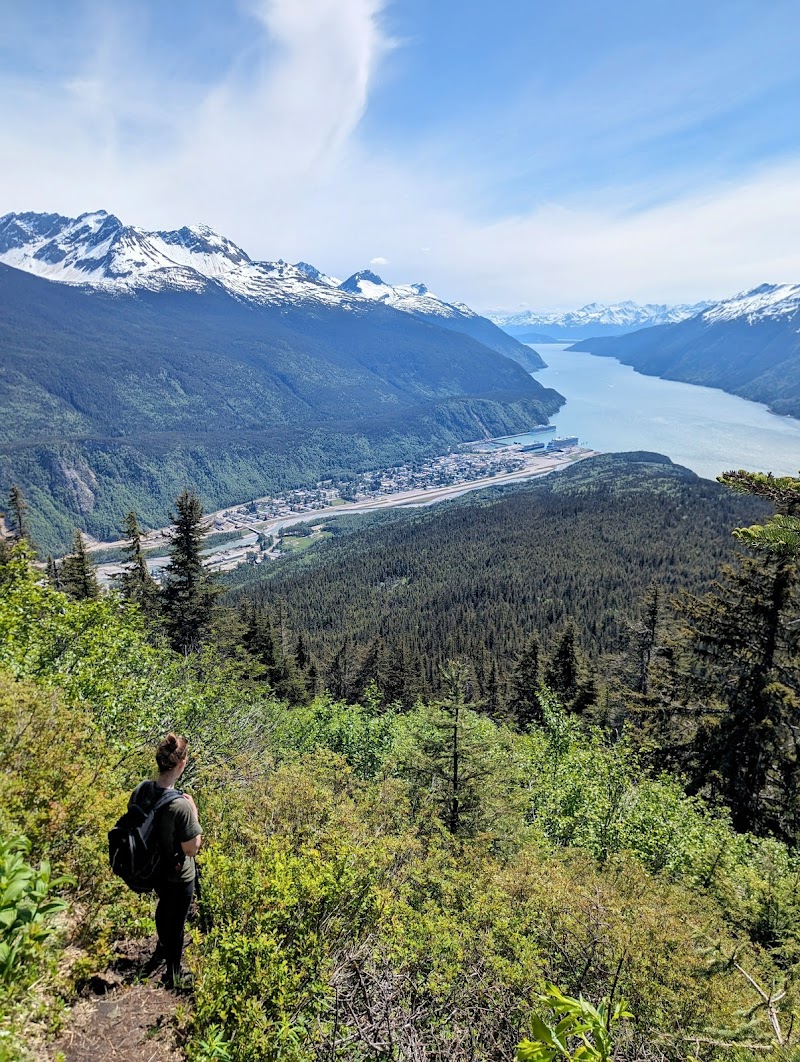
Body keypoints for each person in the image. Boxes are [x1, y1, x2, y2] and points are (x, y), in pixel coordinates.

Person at [129, 732, 202, 987]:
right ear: (182, 764)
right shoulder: (181, 805)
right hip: (179, 874)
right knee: (177, 922)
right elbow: (192, 848)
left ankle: (161, 946)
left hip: (153, 869)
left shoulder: (142, 790)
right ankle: (173, 973)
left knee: (163, 908)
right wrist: (194, 812)